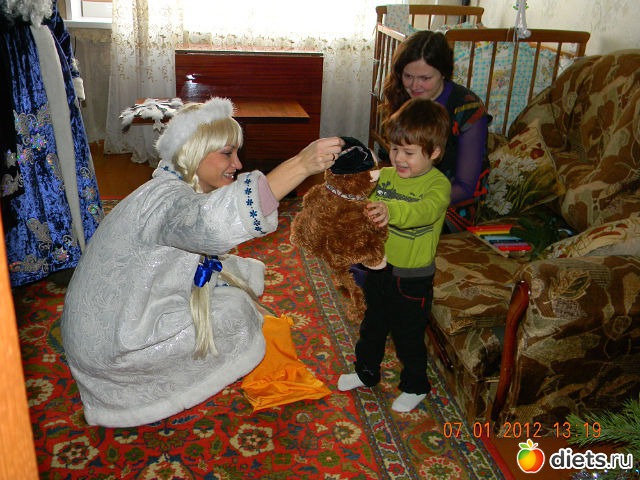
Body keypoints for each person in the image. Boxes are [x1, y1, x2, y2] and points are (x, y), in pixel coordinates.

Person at [60, 97, 343, 428]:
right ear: (194, 152)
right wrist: (301, 165)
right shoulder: (167, 202)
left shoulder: (164, 188)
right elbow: (212, 225)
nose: (238, 164)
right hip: (113, 351)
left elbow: (193, 252)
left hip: (107, 327)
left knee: (236, 276)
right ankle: (131, 396)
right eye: (227, 153)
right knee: (237, 312)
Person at [338, 98, 451, 413]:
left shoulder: (438, 186)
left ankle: (416, 385)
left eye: (409, 152)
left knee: (407, 336)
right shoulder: (385, 176)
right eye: (395, 148)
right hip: (378, 269)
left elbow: (423, 212)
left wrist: (391, 211)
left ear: (434, 152)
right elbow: (364, 202)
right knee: (372, 326)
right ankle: (366, 372)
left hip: (412, 279)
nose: (399, 158)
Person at [1, 0, 102, 287]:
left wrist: (73, 77)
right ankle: (41, 256)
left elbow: (57, 25)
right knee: (27, 165)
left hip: (53, 70)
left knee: (65, 156)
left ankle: (76, 242)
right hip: (12, 77)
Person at [380, 30, 490, 231]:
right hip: (405, 190)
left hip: (449, 203)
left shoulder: (468, 110)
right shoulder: (403, 97)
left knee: (395, 231)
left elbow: (466, 187)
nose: (415, 86)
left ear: (444, 74)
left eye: (425, 78)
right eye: (408, 76)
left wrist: (412, 203)